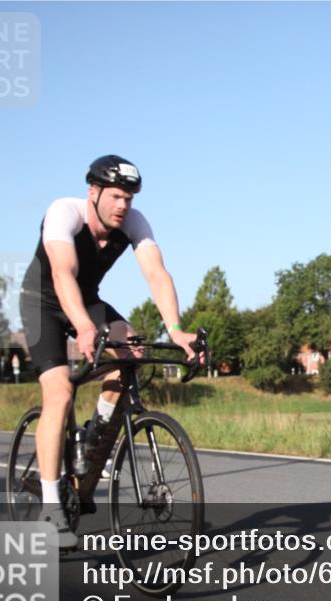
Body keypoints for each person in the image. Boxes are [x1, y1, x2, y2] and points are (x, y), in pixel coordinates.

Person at [20, 155, 198, 549]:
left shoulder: (133, 222)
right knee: (60, 393)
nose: (123, 205)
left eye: (129, 198)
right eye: (116, 196)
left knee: (131, 351)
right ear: (94, 192)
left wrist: (176, 329)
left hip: (88, 299)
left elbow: (156, 272)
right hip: (43, 303)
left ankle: (93, 433)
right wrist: (82, 326)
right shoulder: (64, 214)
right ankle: (50, 506)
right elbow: (63, 272)